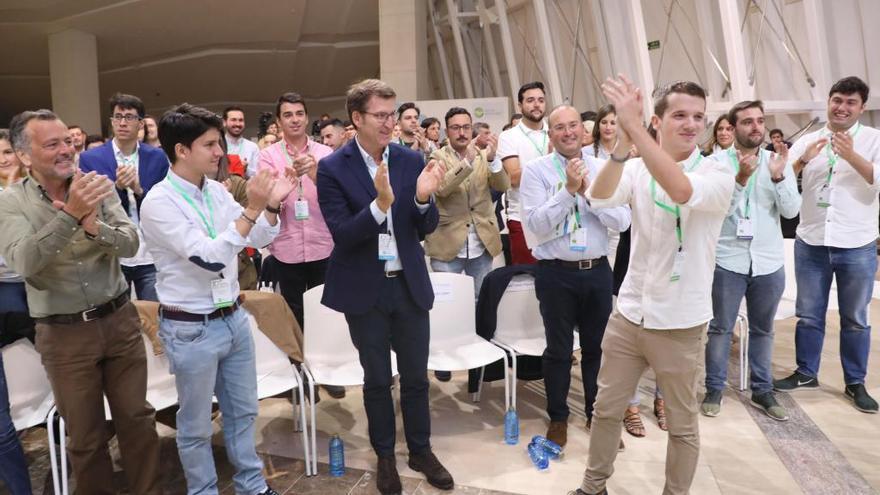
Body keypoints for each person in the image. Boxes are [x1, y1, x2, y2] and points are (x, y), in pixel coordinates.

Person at [573, 77, 734, 495]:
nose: (691, 124)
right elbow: (600, 196)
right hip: (629, 313)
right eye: (679, 115)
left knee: (681, 425)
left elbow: (680, 190)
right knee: (606, 410)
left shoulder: (717, 172)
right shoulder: (639, 166)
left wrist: (639, 134)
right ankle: (593, 487)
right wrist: (623, 148)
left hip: (680, 321)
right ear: (659, 121)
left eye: (698, 117)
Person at [0, 109, 161, 493]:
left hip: (119, 320)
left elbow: (131, 241)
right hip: (63, 334)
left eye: (67, 142)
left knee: (137, 422)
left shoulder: (97, 185)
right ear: (24, 156)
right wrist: (71, 215)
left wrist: (94, 227)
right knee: (86, 440)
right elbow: (23, 260)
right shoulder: (10, 203)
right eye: (51, 144)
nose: (65, 150)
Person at [140, 103, 293, 495]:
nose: (220, 151)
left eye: (220, 142)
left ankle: (252, 486)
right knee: (194, 426)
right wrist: (254, 207)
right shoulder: (159, 203)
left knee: (243, 413)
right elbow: (208, 257)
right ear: (181, 150)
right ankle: (204, 490)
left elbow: (255, 239)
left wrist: (272, 205)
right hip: (191, 327)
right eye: (210, 144)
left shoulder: (214, 192)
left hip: (233, 318)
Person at [316, 79, 452, 495]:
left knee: (415, 377)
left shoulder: (409, 160)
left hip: (408, 284)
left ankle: (421, 450)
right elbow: (342, 234)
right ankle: (385, 457)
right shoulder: (333, 168)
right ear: (356, 119)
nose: (390, 123)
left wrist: (425, 200)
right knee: (377, 380)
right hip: (366, 290)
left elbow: (425, 228)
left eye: (392, 114)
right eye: (381, 115)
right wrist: (380, 204)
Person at [519, 105, 630, 449]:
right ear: (550, 135)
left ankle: (596, 414)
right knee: (558, 350)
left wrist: (588, 193)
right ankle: (558, 417)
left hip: (596, 271)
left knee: (598, 348)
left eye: (573, 126)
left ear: (583, 132)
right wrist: (567, 191)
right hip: (555, 273)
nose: (567, 132)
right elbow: (535, 226)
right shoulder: (535, 172)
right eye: (559, 128)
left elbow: (623, 221)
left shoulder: (602, 169)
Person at [773, 76, 880, 414]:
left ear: (861, 108)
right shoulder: (811, 139)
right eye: (837, 99)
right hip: (812, 241)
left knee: (855, 318)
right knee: (808, 314)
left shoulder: (874, 140)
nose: (842, 107)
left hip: (856, 243)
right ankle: (806, 372)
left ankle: (854, 382)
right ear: (828, 101)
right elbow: (782, 179)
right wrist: (801, 160)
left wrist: (852, 157)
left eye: (850, 102)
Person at [701, 100, 800, 421]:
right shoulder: (716, 164)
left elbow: (790, 212)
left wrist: (778, 178)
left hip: (769, 263)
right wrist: (741, 180)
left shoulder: (776, 161)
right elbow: (715, 213)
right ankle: (714, 387)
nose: (756, 127)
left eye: (760, 121)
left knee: (763, 330)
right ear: (733, 127)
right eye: (747, 122)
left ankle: (762, 390)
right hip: (728, 261)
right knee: (720, 329)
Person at [79, 92, 169, 302]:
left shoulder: (157, 157)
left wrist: (139, 189)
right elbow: (89, 205)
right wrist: (117, 188)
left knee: (154, 315)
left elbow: (165, 204)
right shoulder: (91, 159)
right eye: (117, 116)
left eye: (129, 117)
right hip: (111, 252)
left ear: (140, 124)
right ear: (111, 121)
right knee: (115, 317)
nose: (122, 122)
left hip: (150, 250)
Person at [257, 93, 334, 328]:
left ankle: (324, 361)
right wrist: (285, 183)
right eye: (288, 115)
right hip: (286, 245)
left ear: (307, 117)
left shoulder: (325, 154)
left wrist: (316, 174)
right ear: (279, 122)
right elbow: (267, 200)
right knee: (293, 309)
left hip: (323, 243)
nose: (295, 119)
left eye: (299, 114)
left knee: (325, 308)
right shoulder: (268, 156)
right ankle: (298, 361)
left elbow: (336, 197)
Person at [426, 107, 508, 301]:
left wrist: (493, 159)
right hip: (447, 242)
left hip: (481, 241)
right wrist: (467, 161)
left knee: (482, 300)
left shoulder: (483, 155)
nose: (462, 133)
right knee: (448, 303)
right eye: (456, 128)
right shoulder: (437, 157)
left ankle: (481, 332)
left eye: (466, 127)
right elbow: (442, 188)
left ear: (472, 129)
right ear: (447, 131)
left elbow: (503, 185)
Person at [0, 128, 32, 494]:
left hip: (41, 290)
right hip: (9, 295)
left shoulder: (40, 192)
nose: (5, 159)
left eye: (9, 151)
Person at [498, 81, 550, 265]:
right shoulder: (509, 136)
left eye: (541, 100)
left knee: (558, 279)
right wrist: (550, 159)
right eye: (530, 100)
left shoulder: (555, 131)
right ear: (520, 105)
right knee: (527, 280)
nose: (537, 104)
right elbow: (514, 178)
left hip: (557, 216)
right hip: (523, 218)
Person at [223, 106, 262, 178]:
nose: (237, 124)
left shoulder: (252, 147)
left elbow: (258, 174)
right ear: (224, 122)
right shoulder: (218, 144)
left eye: (240, 120)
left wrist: (246, 170)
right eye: (233, 120)